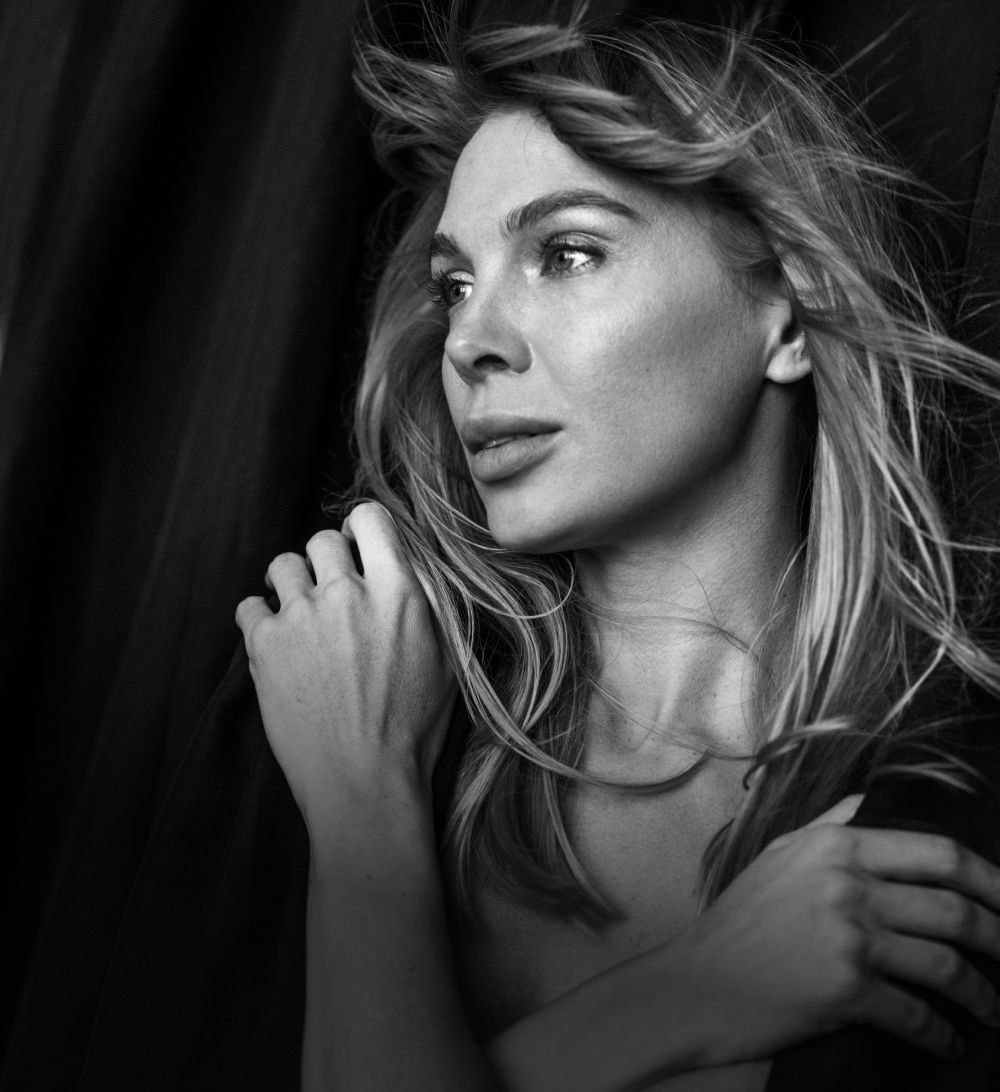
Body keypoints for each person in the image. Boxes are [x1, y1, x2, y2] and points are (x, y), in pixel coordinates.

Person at [234, 6, 1000, 1090]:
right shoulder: (336, 724)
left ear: (790, 310)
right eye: (455, 286)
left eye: (565, 253)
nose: (469, 340)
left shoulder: (942, 811)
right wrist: (689, 994)